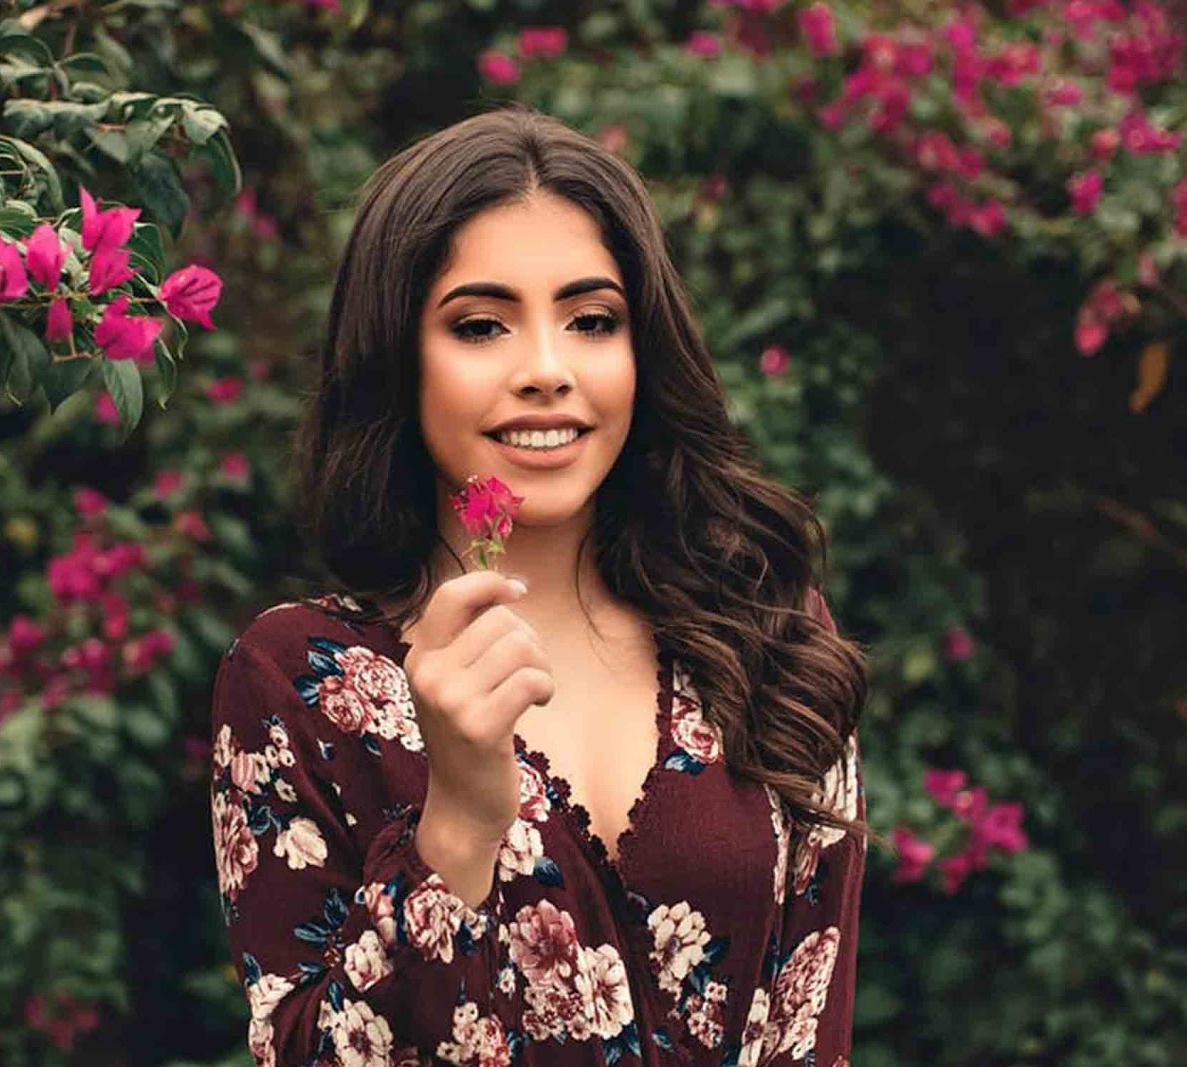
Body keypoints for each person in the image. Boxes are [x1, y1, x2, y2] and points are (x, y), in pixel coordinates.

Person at [209, 102, 875, 1067]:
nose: (548, 371)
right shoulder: (297, 684)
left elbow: (812, 1024)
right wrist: (460, 820)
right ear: (399, 357)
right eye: (481, 325)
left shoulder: (769, 632)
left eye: (592, 320)